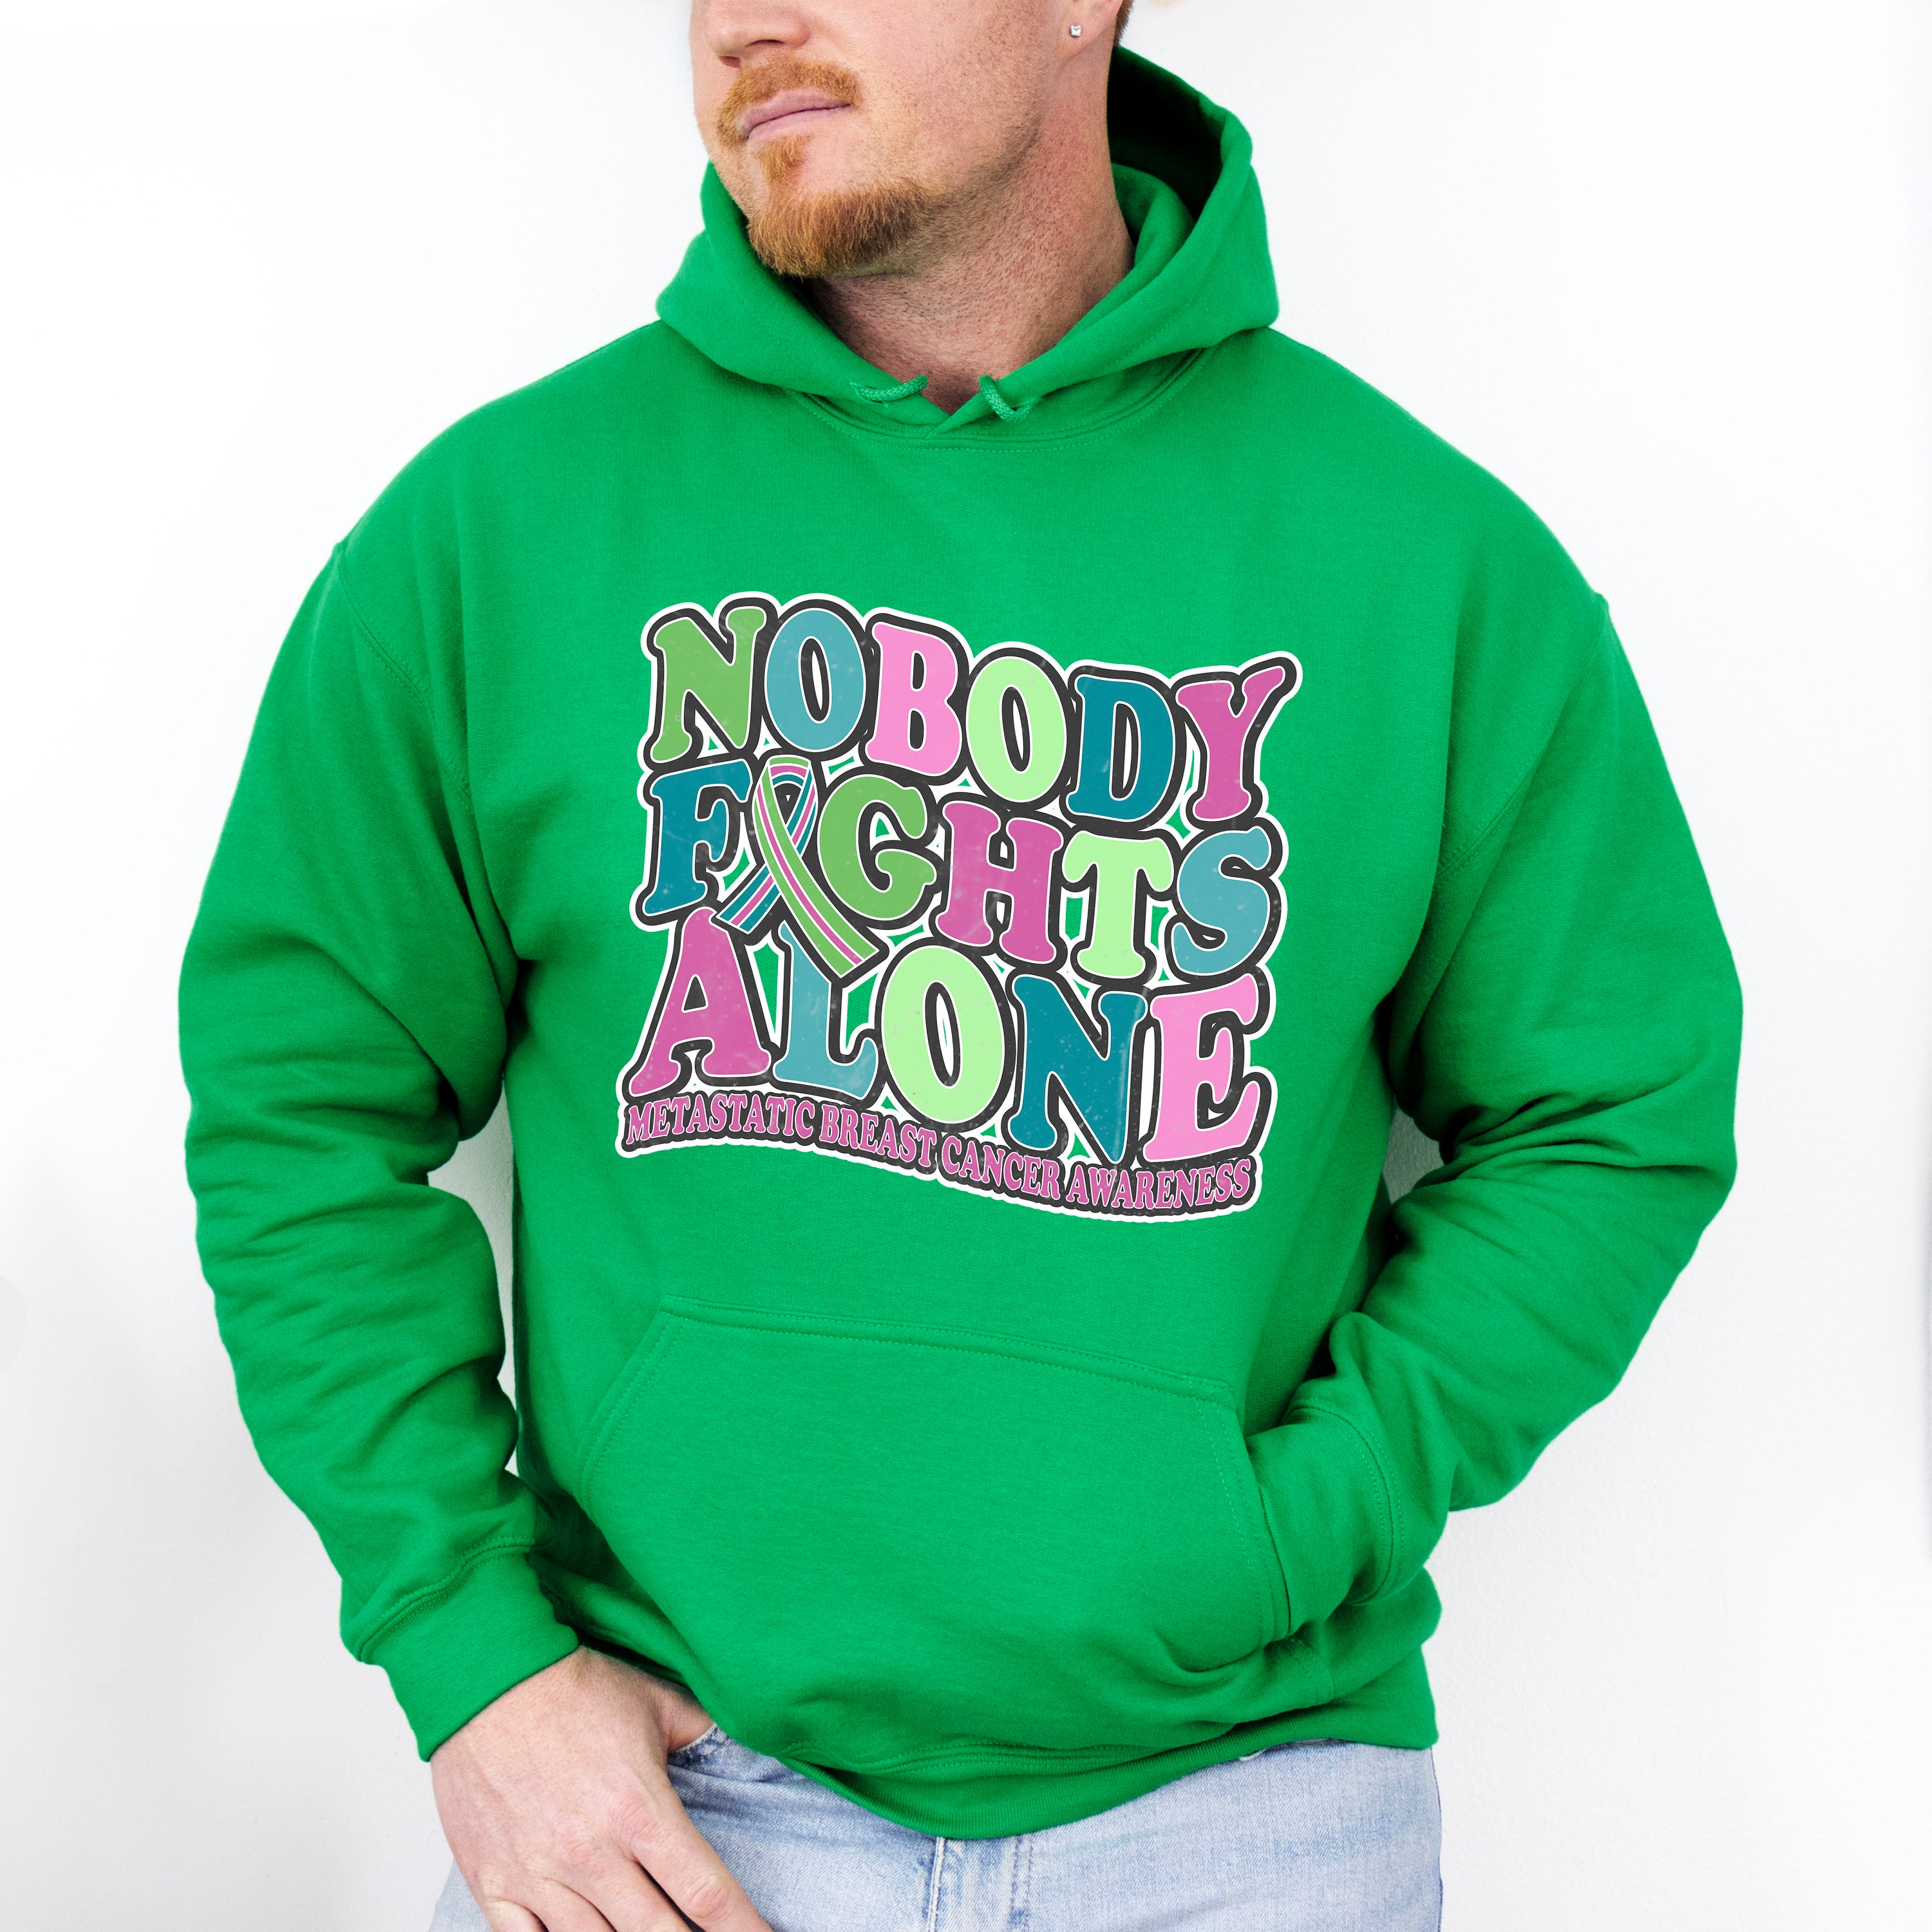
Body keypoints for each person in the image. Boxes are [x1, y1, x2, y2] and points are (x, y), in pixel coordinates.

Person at [179, 2, 1742, 1927]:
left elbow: (1616, 1109)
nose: (746, 21)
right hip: (671, 1806)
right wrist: (470, 1656)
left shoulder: (1427, 565)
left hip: (1245, 1820)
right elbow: (300, 1105)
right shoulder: (498, 533)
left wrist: (1296, 1519)